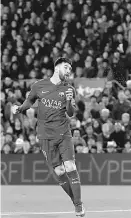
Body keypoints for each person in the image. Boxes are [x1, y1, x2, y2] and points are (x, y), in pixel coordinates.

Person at [12, 57, 85, 217]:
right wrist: (19, 108)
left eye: (70, 69)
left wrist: (68, 99)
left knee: (70, 166)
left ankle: (79, 206)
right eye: (66, 67)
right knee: (59, 171)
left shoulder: (69, 89)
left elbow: (71, 113)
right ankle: (75, 201)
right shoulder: (39, 86)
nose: (68, 71)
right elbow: (29, 101)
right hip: (45, 135)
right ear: (57, 68)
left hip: (63, 133)